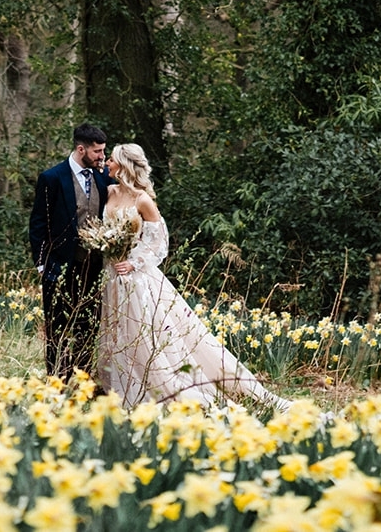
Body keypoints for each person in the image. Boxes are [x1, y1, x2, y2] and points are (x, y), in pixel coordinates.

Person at [97, 142, 289, 410]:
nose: (107, 163)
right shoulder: (107, 192)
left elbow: (158, 243)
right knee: (116, 333)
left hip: (136, 278)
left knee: (145, 334)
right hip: (110, 275)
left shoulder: (143, 200)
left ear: (124, 165)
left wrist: (133, 262)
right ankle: (117, 389)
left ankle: (159, 389)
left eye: (112, 160)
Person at [28, 123, 112, 380]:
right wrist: (42, 265)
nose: (102, 157)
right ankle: (58, 382)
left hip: (94, 267)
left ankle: (83, 381)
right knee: (58, 328)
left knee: (89, 326)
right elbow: (39, 223)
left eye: (103, 151)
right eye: (97, 152)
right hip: (60, 266)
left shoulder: (103, 177)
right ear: (80, 149)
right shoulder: (52, 178)